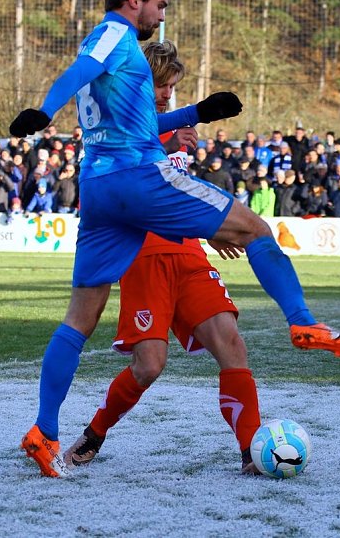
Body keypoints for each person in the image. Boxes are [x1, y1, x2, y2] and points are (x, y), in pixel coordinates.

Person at [10, 0, 340, 479]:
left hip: (101, 191)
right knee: (256, 230)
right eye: (160, 4)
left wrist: (195, 112)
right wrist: (42, 112)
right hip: (138, 180)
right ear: (134, 0)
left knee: (78, 320)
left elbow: (125, 109)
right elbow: (79, 72)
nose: (162, 13)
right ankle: (302, 320)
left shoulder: (116, 59)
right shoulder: (116, 34)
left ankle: (44, 432)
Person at [63, 39, 263, 476]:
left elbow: (175, 190)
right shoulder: (120, 126)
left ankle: (252, 450)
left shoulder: (174, 131)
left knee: (232, 344)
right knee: (149, 365)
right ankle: (95, 432)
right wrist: (173, 134)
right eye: (164, 87)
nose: (169, 96)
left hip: (187, 253)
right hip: (146, 254)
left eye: (172, 89)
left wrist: (211, 225)